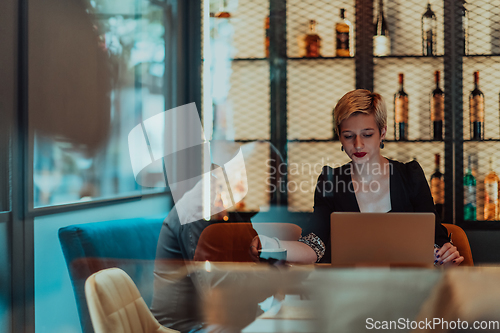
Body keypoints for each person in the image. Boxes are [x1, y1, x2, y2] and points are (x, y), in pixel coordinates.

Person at [251, 89, 463, 267]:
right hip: (348, 293)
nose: (358, 144)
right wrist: (271, 245)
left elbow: (436, 242)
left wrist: (445, 254)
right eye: (349, 136)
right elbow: (314, 246)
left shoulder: (411, 175)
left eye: (367, 134)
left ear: (383, 133)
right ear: (340, 137)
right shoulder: (330, 180)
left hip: (407, 291)